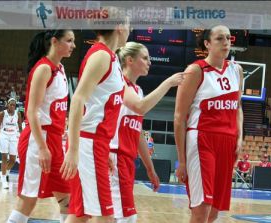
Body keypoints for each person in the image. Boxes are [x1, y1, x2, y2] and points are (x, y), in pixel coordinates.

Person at [60, 17, 184, 222]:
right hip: (91, 142)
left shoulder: (111, 61)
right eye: (128, 23)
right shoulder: (101, 55)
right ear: (118, 27)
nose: (131, 28)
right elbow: (78, 99)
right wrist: (74, 149)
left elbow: (134, 108)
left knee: (80, 214)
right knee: (107, 217)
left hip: (98, 144)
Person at [174, 25, 244, 223]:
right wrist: (182, 160)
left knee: (215, 210)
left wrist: (240, 137)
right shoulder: (195, 70)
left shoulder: (236, 70)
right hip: (202, 139)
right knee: (201, 208)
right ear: (207, 44)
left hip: (228, 142)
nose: (226, 42)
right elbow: (179, 117)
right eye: (220, 38)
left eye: (228, 38)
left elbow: (237, 107)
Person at [109, 41, 185, 222]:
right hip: (113, 156)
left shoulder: (138, 90)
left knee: (118, 217)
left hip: (127, 160)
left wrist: (150, 169)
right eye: (145, 58)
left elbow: (138, 134)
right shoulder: (118, 84)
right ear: (129, 60)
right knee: (124, 217)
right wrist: (168, 83)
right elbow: (141, 108)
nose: (149, 62)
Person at [7, 29, 76, 223]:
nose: (73, 45)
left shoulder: (60, 69)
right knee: (28, 200)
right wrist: (43, 148)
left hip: (54, 141)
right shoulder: (43, 69)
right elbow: (32, 112)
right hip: (38, 141)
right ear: (55, 42)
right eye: (69, 41)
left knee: (68, 200)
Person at [0, 98, 22, 189]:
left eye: (14, 105)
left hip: (13, 136)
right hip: (4, 135)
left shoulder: (18, 114)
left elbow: (20, 127)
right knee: (4, 157)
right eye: (11, 104)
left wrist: (23, 138)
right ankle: (4, 180)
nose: (12, 106)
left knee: (13, 159)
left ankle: (4, 171)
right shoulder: (2, 114)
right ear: (7, 104)